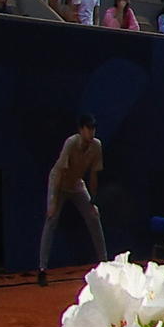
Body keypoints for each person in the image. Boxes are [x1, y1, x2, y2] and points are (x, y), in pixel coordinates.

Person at [38, 112, 106, 283]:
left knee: (94, 216)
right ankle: (42, 269)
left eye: (93, 128)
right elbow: (60, 171)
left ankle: (105, 264)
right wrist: (53, 201)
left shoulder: (97, 145)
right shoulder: (71, 143)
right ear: (81, 130)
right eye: (88, 128)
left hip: (76, 183)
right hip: (59, 182)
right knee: (51, 219)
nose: (91, 132)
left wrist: (93, 201)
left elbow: (93, 175)